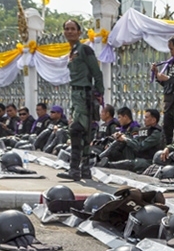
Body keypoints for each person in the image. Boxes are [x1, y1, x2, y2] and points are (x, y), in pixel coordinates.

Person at [57, 19, 104, 182]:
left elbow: (96, 72)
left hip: (84, 94)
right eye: (67, 29)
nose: (69, 31)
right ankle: (83, 170)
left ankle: (74, 169)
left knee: (76, 130)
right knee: (83, 132)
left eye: (72, 29)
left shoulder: (84, 49)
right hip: (75, 94)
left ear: (79, 32)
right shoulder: (73, 51)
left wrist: (99, 93)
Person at [105, 108, 164, 172]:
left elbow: (141, 146)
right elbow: (135, 140)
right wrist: (122, 137)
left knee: (129, 163)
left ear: (153, 120)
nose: (144, 119)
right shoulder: (144, 130)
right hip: (138, 157)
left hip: (149, 161)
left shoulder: (157, 133)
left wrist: (125, 139)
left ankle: (107, 165)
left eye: (146, 117)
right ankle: (99, 159)